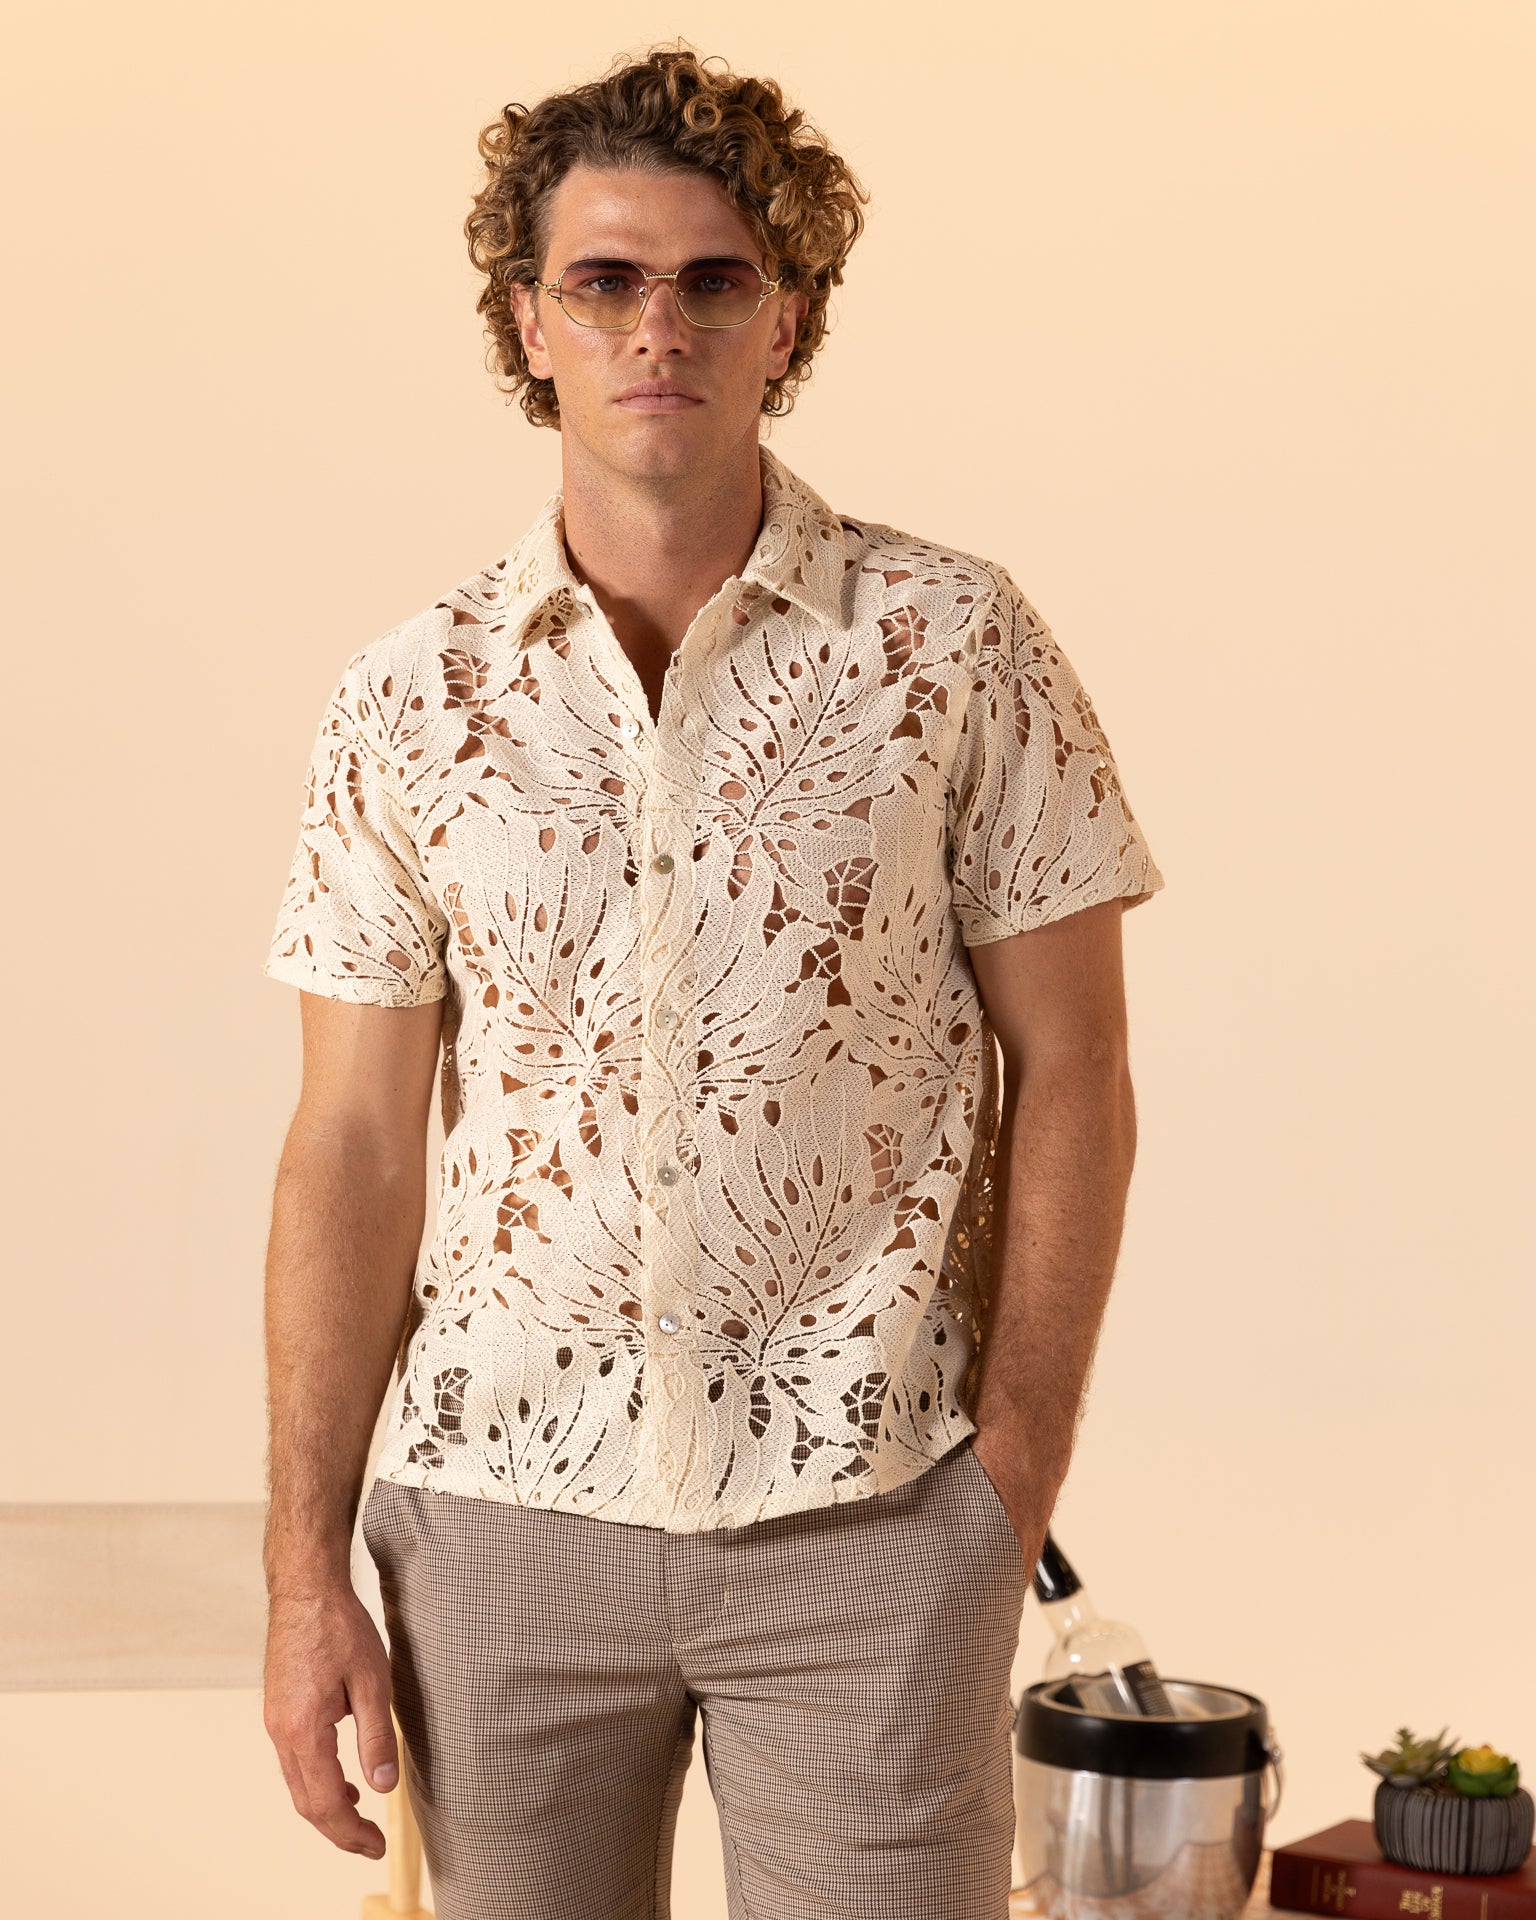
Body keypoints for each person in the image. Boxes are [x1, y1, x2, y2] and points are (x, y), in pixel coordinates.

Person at [259, 40, 1165, 1920]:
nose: (656, 324)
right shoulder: (409, 699)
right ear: (529, 325)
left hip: (872, 1508)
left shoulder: (954, 644)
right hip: (497, 1524)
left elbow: (1076, 1068)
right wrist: (299, 1569)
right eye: (603, 280)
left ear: (787, 318)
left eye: (713, 279)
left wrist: (1010, 1474)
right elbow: (350, 1140)